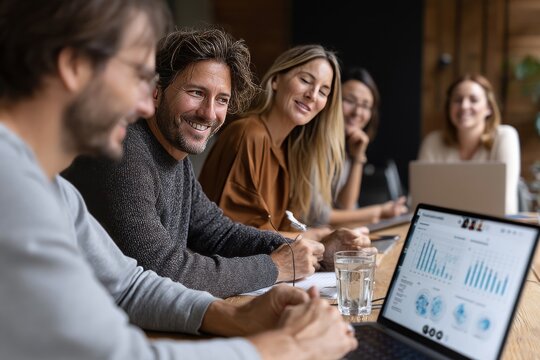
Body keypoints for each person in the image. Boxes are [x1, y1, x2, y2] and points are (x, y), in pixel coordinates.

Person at [0, 1, 357, 359]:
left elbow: (130, 285)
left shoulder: (54, 190)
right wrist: (285, 347)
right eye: (136, 76)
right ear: (74, 67)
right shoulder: (13, 190)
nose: (144, 103)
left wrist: (233, 315)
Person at [63, 29, 370, 297]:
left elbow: (218, 232)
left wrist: (310, 252)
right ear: (156, 92)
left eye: (221, 100)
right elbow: (163, 270)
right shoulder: (126, 152)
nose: (209, 113)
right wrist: (274, 267)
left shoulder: (173, 154)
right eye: (196, 93)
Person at [199, 45, 349, 234]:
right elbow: (236, 236)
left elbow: (277, 232)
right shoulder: (249, 134)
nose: (312, 95)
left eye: (323, 91)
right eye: (305, 80)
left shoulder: (289, 150)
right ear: (276, 80)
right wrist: (315, 237)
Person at [305, 67, 407, 227]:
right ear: (332, 100)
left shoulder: (346, 145)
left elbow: (346, 205)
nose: (358, 112)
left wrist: (358, 156)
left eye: (366, 106)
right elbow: (319, 216)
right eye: (350, 101)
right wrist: (379, 212)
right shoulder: (312, 143)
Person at [418, 74, 520, 214]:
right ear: (449, 108)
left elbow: (506, 202)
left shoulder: (505, 137)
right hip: (444, 227)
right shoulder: (432, 142)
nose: (464, 106)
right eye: (457, 100)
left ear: (489, 107)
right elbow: (421, 202)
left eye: (474, 100)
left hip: (494, 226)